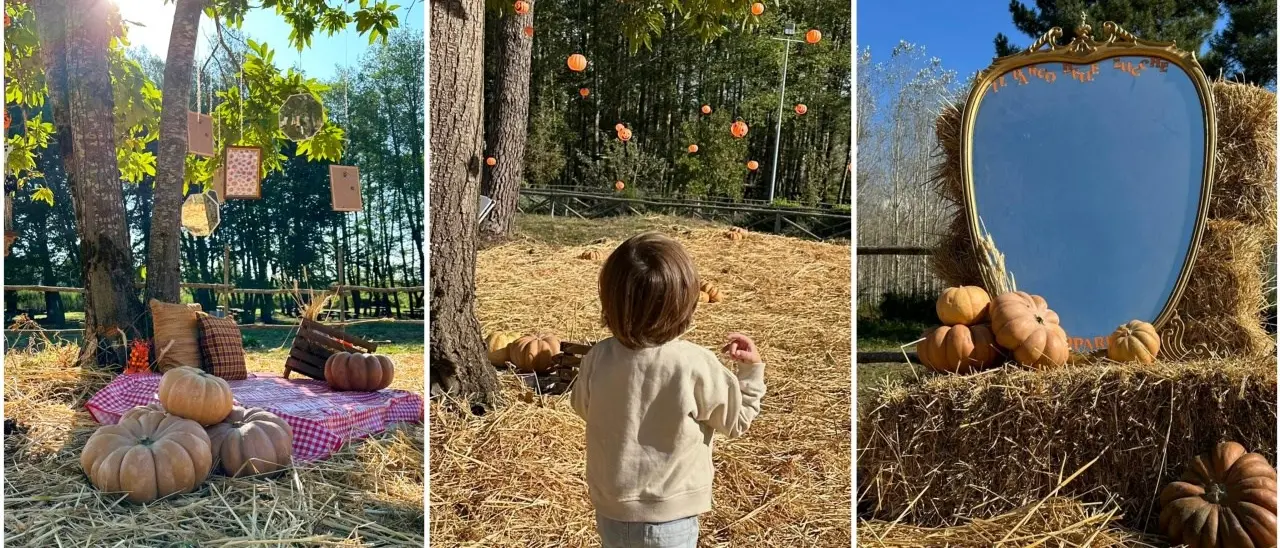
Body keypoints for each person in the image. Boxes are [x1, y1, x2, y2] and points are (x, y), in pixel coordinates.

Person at [571, 232, 767, 548]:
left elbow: (582, 407)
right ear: (684, 305)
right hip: (669, 520)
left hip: (610, 510)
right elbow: (737, 420)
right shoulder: (694, 364)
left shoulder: (598, 357)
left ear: (610, 300)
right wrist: (751, 371)